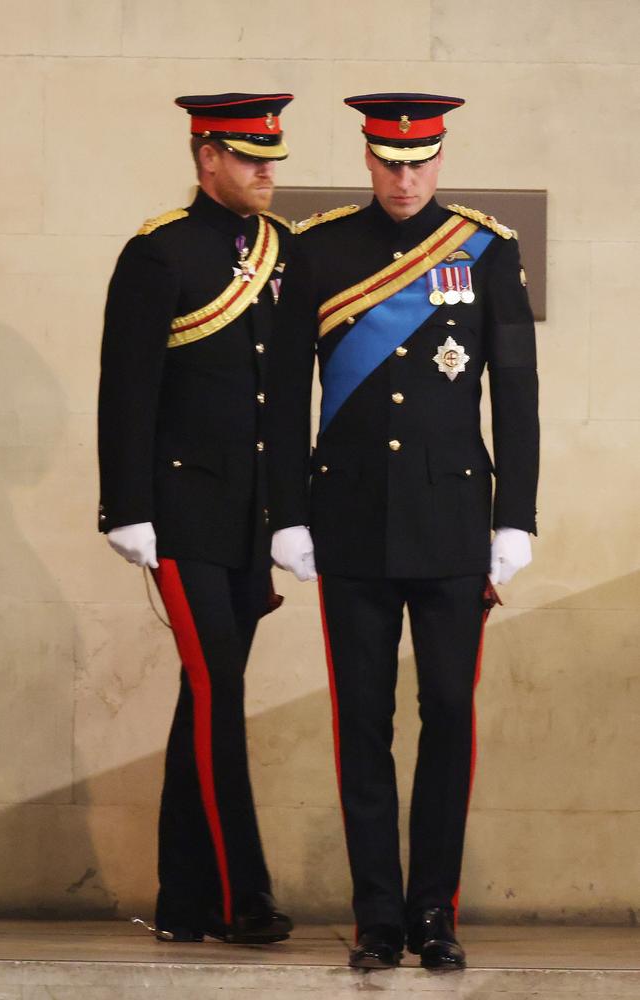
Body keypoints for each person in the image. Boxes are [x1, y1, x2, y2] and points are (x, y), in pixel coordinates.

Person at [268, 92, 539, 970]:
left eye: (419, 161)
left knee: (451, 718)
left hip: (455, 525)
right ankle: (379, 915)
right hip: (349, 521)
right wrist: (290, 513)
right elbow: (280, 399)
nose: (404, 177)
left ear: (441, 159)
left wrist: (516, 519)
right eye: (388, 161)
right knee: (363, 725)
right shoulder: (318, 252)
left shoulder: (487, 250)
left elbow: (518, 397)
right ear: (366, 158)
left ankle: (435, 913)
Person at [98, 92, 295, 944]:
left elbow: (284, 396)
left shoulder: (283, 251)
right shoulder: (158, 253)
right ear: (205, 155)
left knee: (203, 700)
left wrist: (292, 513)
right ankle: (242, 893)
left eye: (272, 158)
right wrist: (126, 507)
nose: (266, 172)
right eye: (249, 156)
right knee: (219, 691)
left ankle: (185, 898)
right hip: (179, 513)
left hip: (251, 521)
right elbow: (127, 387)